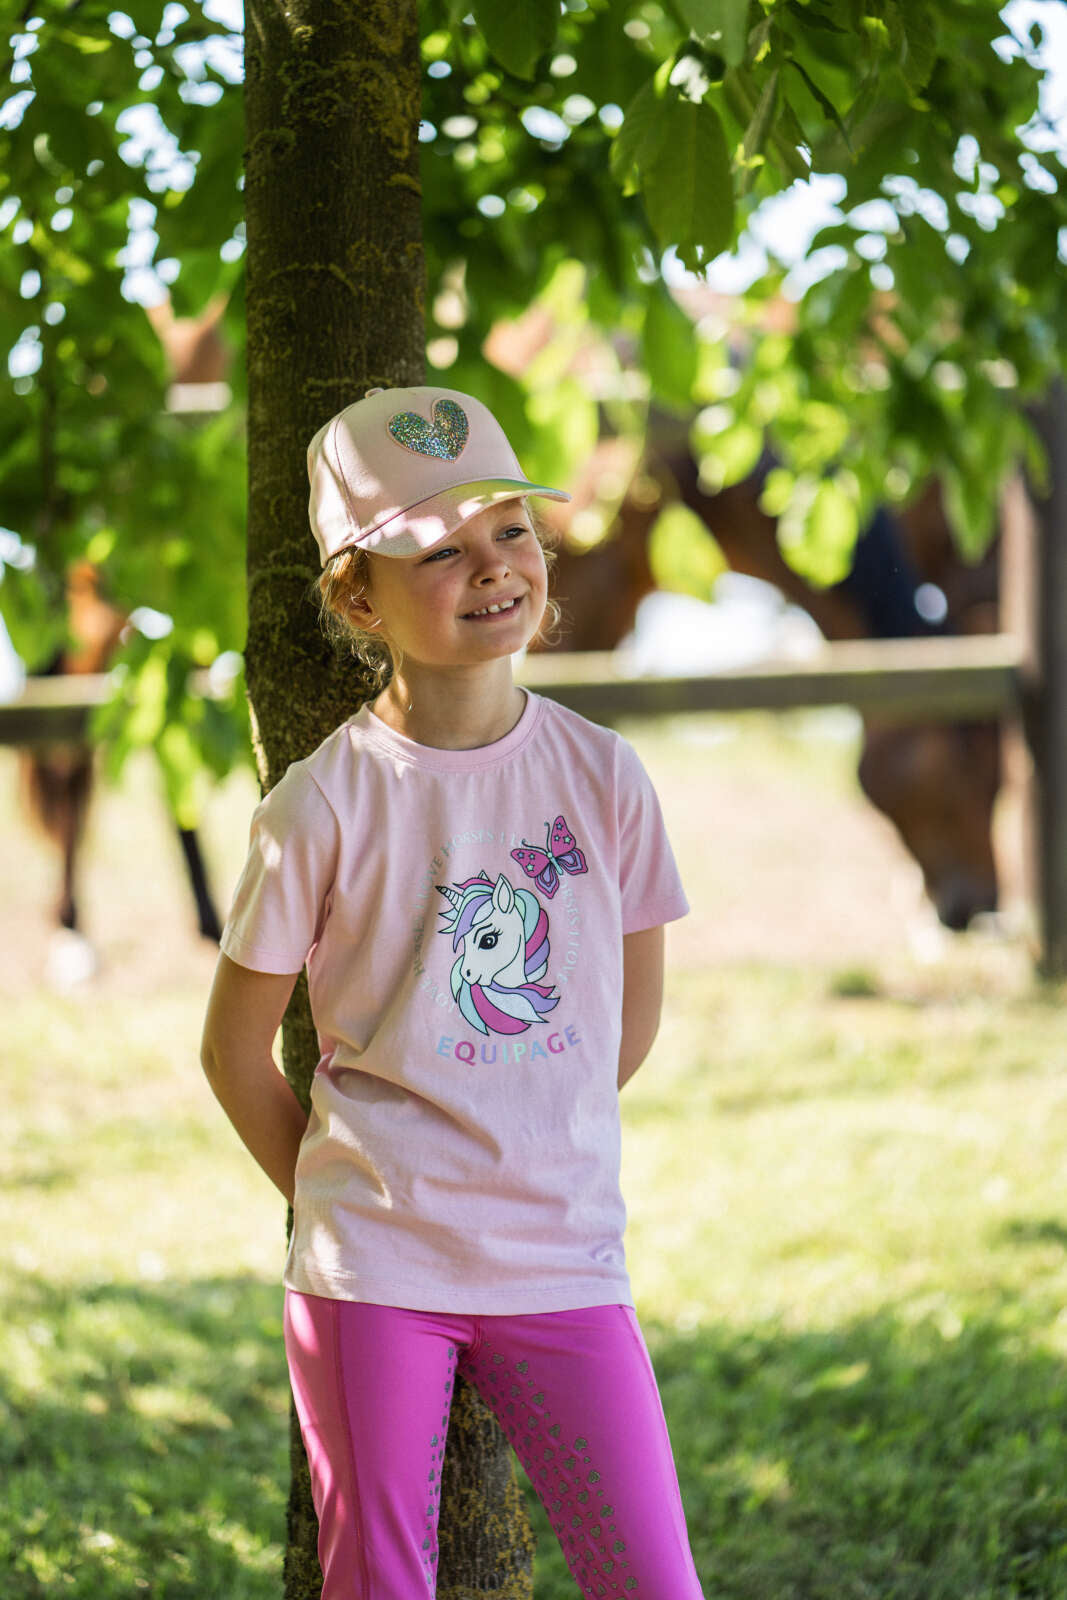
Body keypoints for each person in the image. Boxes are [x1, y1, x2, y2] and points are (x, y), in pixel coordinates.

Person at [200, 384, 704, 1600]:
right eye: (438, 548)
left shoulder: (603, 776)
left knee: (649, 1576)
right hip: (374, 1271)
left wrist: (521, 1136)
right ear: (357, 596)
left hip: (564, 1256)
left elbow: (618, 1028)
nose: (491, 567)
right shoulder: (319, 805)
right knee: (377, 1581)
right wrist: (361, 1204)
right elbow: (232, 1054)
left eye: (510, 530)